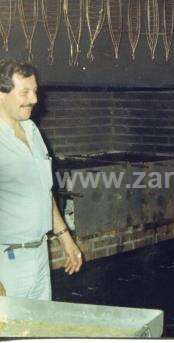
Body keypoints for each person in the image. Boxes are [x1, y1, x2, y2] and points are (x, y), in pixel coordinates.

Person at [0, 59, 83, 300]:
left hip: (38, 256)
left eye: (34, 90)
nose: (34, 99)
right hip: (7, 262)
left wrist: (65, 238)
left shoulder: (32, 130)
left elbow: (43, 191)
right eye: (24, 92)